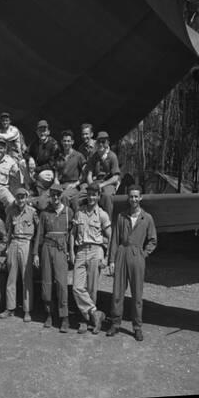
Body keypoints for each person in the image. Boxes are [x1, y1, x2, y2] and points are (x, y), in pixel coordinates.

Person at [107, 185, 157, 341]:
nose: (134, 199)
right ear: (128, 198)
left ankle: (137, 327)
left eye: (136, 196)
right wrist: (112, 260)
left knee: (137, 295)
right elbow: (114, 239)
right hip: (122, 252)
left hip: (137, 255)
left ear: (140, 198)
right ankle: (115, 324)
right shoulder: (121, 216)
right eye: (131, 196)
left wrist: (144, 253)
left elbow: (153, 240)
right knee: (117, 293)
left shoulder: (146, 218)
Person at [69, 183, 111, 335]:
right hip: (81, 251)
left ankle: (86, 321)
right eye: (89, 194)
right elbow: (73, 234)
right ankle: (95, 313)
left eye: (94, 194)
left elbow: (110, 236)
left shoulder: (102, 214)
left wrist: (106, 257)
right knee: (77, 287)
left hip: (95, 250)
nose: (91, 197)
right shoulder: (79, 212)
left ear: (99, 196)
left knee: (92, 289)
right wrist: (72, 252)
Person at [33, 184, 73, 333]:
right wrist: (36, 253)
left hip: (61, 249)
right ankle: (49, 313)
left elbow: (73, 234)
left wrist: (71, 251)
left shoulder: (69, 212)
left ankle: (64, 317)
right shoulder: (45, 213)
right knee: (46, 282)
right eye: (53, 195)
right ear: (50, 196)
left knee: (62, 284)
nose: (55, 197)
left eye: (58, 195)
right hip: (46, 249)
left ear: (61, 195)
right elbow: (39, 235)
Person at [0, 188, 39, 322]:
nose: (21, 200)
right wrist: (7, 248)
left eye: (23, 197)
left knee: (26, 278)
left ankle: (27, 310)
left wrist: (35, 252)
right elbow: (8, 230)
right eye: (18, 197)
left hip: (27, 244)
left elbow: (39, 231)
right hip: (14, 243)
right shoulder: (11, 212)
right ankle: (10, 308)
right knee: (11, 277)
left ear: (27, 198)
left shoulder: (32, 212)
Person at [83, 131, 120, 219]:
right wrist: (92, 186)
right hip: (95, 183)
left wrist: (102, 185)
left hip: (108, 183)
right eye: (99, 142)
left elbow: (115, 177)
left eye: (103, 142)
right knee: (80, 196)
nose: (101, 144)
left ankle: (107, 224)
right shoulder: (94, 157)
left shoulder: (112, 156)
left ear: (108, 143)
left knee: (107, 197)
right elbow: (89, 175)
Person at [27, 120, 60, 195]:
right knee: (22, 163)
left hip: (47, 171)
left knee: (45, 176)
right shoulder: (34, 143)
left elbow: (51, 164)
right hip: (35, 169)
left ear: (48, 132)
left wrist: (36, 171)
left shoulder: (54, 144)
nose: (42, 133)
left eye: (44, 131)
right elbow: (25, 153)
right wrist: (30, 158)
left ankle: (43, 191)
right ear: (37, 132)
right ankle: (31, 187)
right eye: (40, 131)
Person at [55, 129, 86, 206]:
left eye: (68, 141)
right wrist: (56, 182)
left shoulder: (78, 156)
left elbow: (85, 173)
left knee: (63, 196)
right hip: (61, 185)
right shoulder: (59, 157)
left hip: (72, 186)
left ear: (72, 142)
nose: (66, 143)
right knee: (47, 197)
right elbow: (56, 173)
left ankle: (65, 217)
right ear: (61, 142)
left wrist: (76, 184)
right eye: (64, 141)